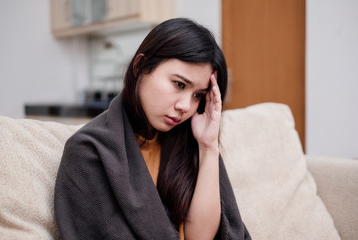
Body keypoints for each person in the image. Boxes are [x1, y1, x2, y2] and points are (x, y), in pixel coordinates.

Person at [54, 18, 251, 240]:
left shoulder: (189, 141)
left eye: (198, 95)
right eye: (179, 84)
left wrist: (208, 147)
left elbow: (200, 237)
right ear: (140, 66)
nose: (185, 107)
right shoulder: (89, 152)